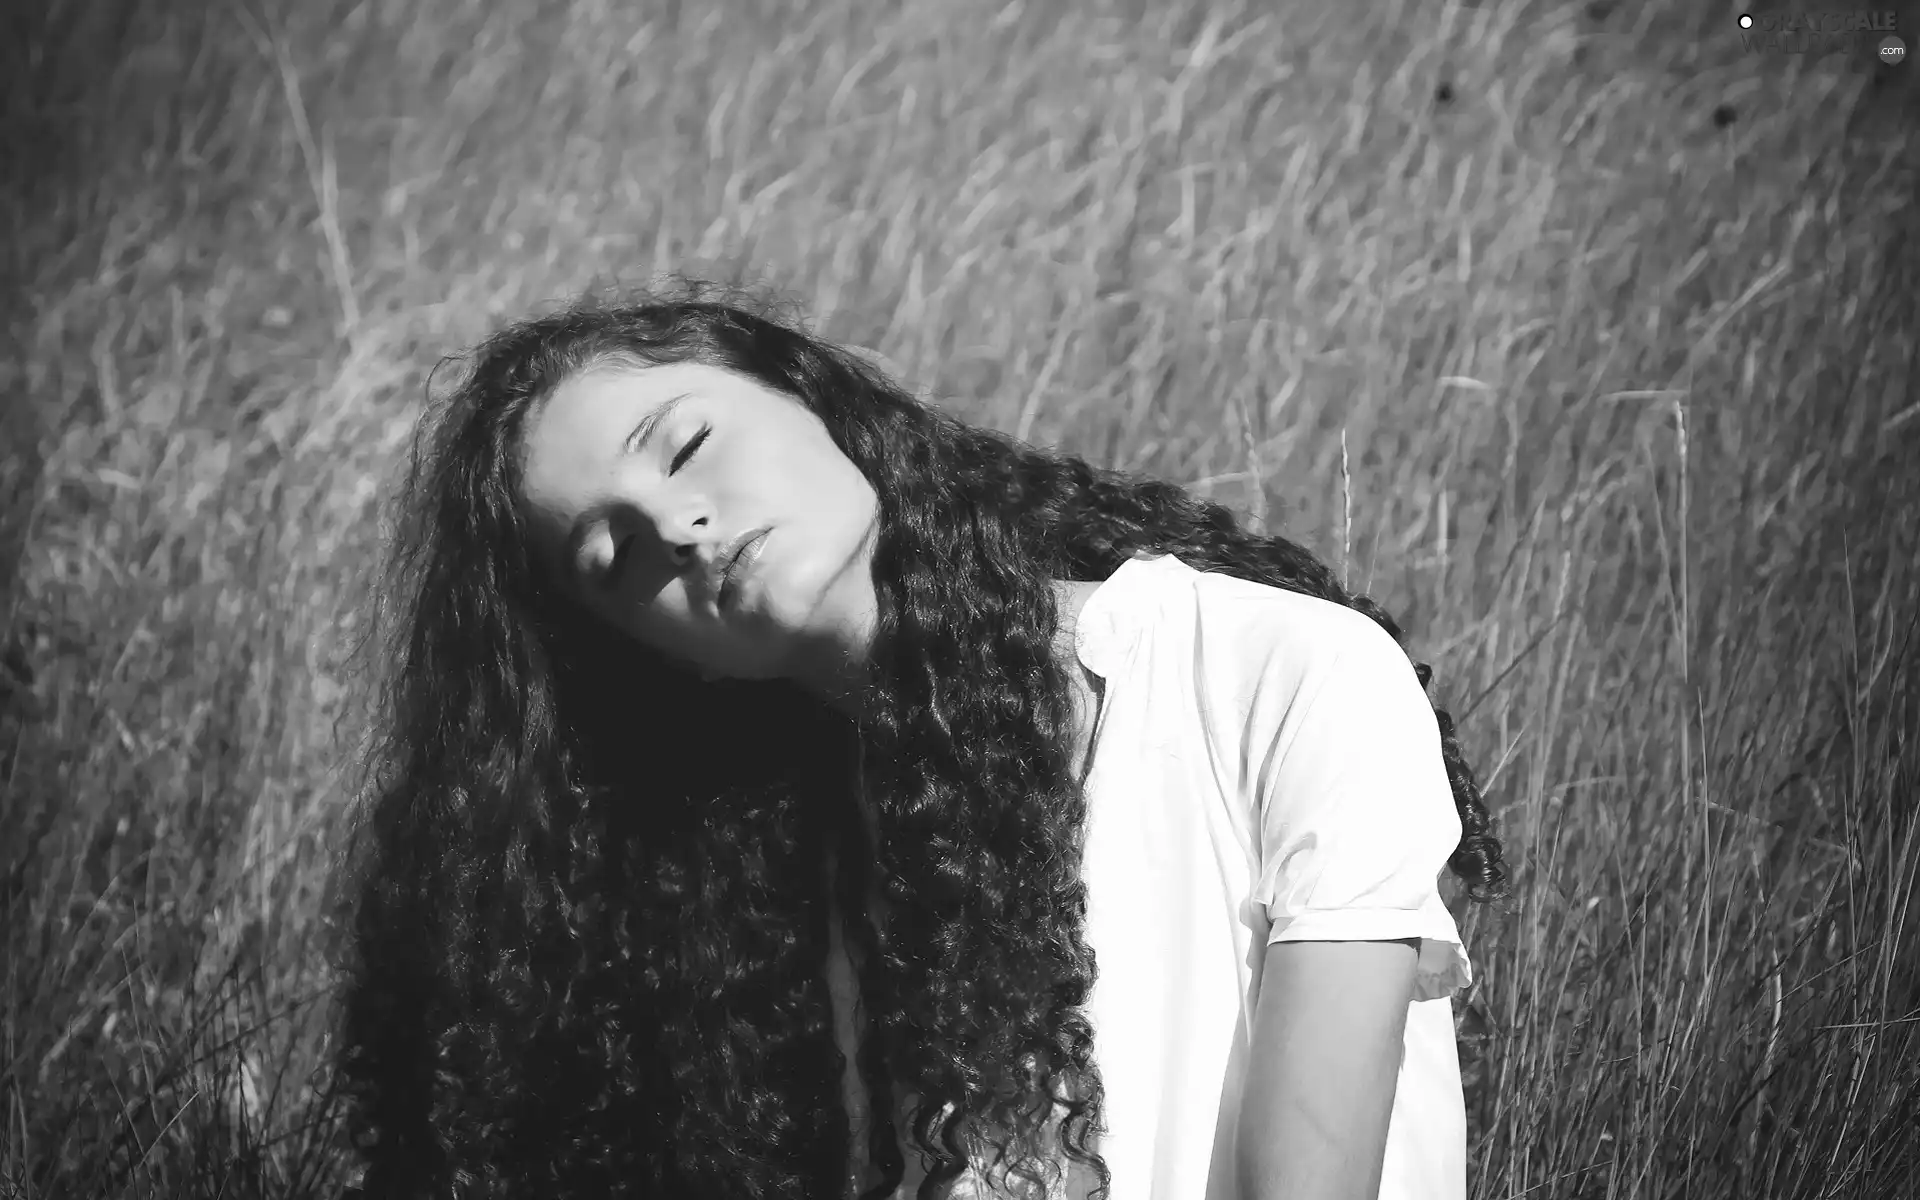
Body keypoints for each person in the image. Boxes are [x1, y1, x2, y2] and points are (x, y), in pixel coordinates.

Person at [331, 280, 1508, 1200]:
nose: (680, 522)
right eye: (618, 554)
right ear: (661, 656)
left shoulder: (1274, 671)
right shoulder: (760, 896)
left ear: (815, 395)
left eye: (686, 447)